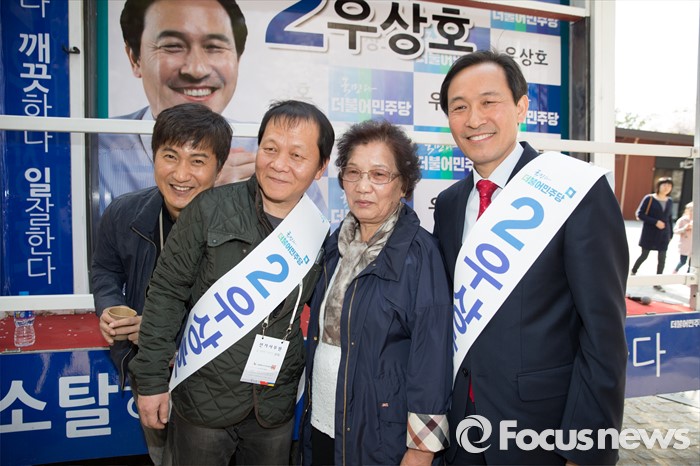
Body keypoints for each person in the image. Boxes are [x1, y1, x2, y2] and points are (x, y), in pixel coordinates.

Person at [433, 50, 628, 465]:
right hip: (460, 427)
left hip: (539, 431)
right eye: (459, 107)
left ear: (521, 107)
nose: (473, 119)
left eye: (489, 102)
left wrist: (586, 451)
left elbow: (604, 334)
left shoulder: (574, 190)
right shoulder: (449, 204)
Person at [129, 100, 334, 466]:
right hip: (204, 397)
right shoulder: (208, 209)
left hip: (274, 401)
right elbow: (165, 294)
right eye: (270, 149)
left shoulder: (317, 233)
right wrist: (152, 381)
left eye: (297, 155)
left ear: (320, 168)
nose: (279, 164)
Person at [302, 120, 452, 466]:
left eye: (379, 175)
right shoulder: (335, 245)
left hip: (380, 435)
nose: (363, 186)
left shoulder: (420, 254)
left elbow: (432, 358)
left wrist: (421, 449)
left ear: (404, 185)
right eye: (353, 173)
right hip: (322, 421)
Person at [91, 103, 232, 465]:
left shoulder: (237, 226)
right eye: (170, 156)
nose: (181, 174)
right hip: (148, 369)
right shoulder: (124, 213)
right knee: (162, 455)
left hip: (213, 377)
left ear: (219, 168)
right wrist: (109, 306)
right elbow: (105, 269)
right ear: (153, 156)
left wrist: (160, 333)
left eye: (197, 161)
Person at [96, 0, 325, 213]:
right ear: (134, 58)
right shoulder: (95, 147)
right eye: (173, 46)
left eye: (214, 47)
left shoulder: (272, 157)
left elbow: (315, 234)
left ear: (237, 59)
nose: (196, 69)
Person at [631, 177, 674, 291]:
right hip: (650, 233)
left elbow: (669, 218)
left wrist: (671, 234)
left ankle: (657, 282)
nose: (667, 188)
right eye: (664, 185)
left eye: (669, 186)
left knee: (662, 258)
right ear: (658, 186)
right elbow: (640, 214)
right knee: (644, 255)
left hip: (664, 234)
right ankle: (633, 271)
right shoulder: (649, 198)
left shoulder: (670, 201)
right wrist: (655, 222)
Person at [673, 201, 693, 274]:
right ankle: (675, 271)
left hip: (694, 246)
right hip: (685, 245)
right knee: (682, 261)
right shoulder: (682, 220)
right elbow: (675, 230)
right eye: (690, 210)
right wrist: (684, 228)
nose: (692, 212)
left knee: (692, 264)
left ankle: (689, 275)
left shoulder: (696, 220)